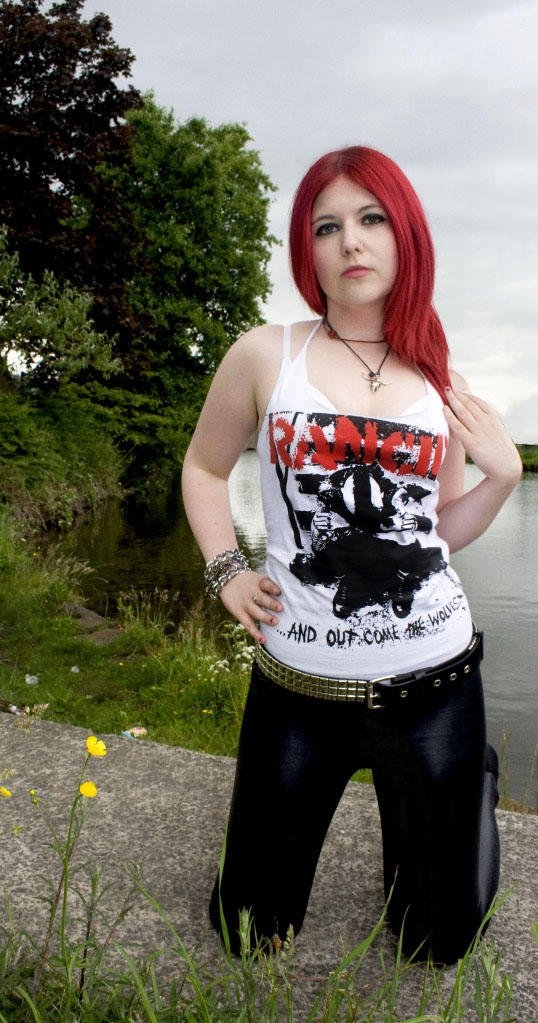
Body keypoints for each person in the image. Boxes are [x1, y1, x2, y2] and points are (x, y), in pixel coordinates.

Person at [181, 145, 522, 963]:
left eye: (371, 219)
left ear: (405, 236)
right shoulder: (268, 354)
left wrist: (504, 477)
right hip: (297, 691)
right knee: (248, 934)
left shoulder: (441, 379)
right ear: (309, 251)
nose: (350, 242)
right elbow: (203, 467)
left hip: (436, 689)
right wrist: (228, 570)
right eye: (326, 226)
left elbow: (436, 531)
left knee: (438, 943)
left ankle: (465, 785)